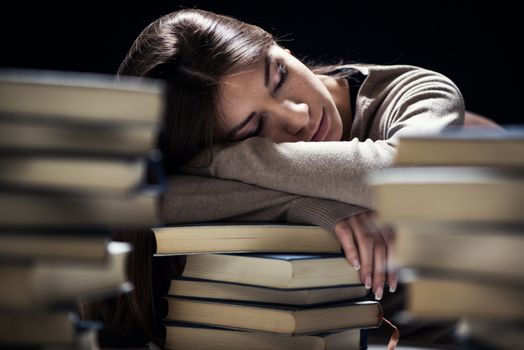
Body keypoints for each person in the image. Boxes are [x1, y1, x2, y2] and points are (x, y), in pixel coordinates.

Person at [81, 8, 503, 347]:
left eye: (279, 76)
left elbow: (405, 178)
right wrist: (304, 207)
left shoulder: (415, 93)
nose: (298, 117)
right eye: (252, 129)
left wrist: (235, 157)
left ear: (273, 40)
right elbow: (144, 200)